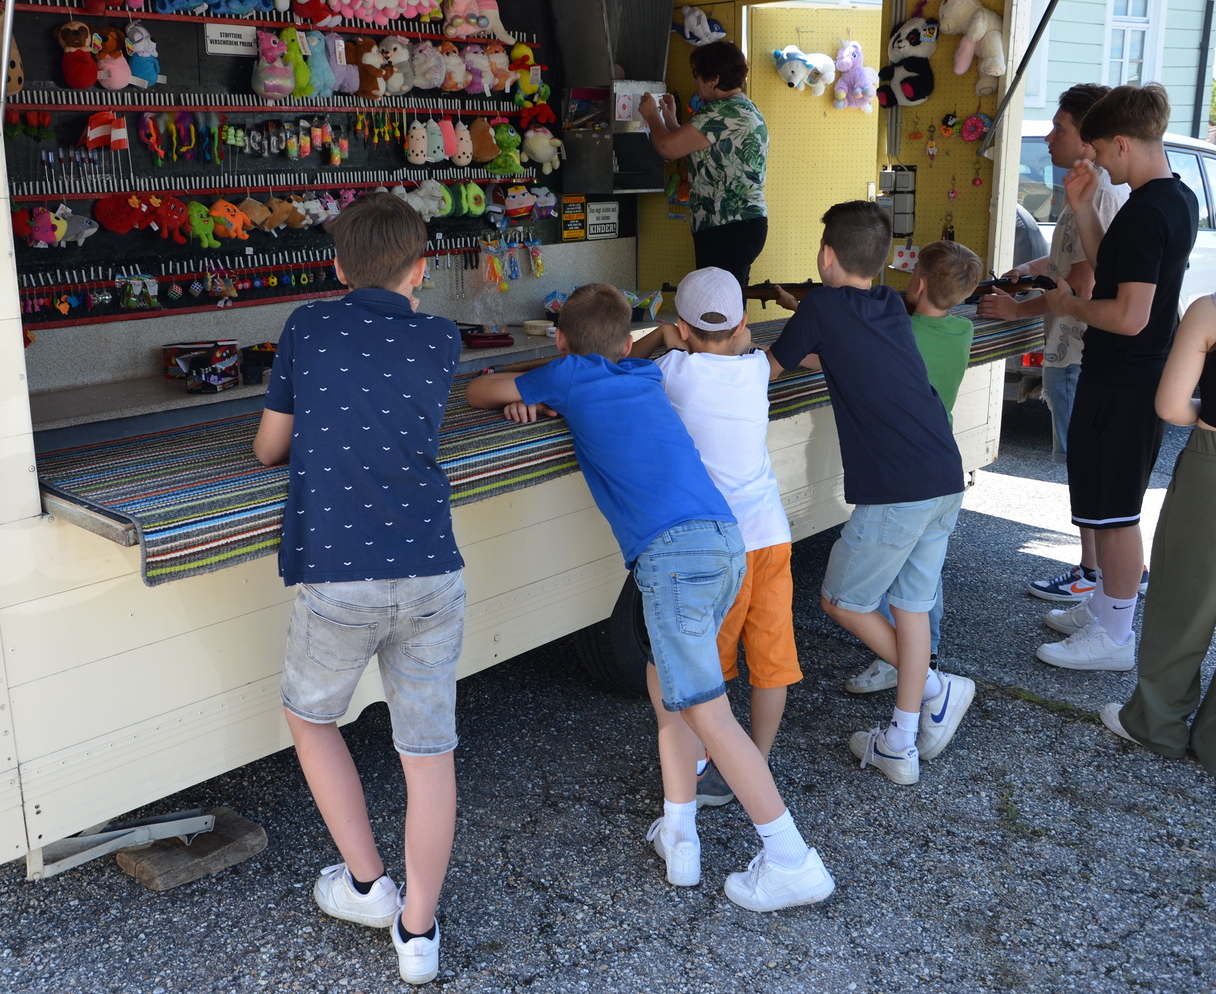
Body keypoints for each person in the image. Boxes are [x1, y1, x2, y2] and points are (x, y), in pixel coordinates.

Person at [465, 284, 835, 913]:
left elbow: (480, 391)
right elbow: (634, 353)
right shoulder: (643, 373)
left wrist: (533, 391)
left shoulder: (569, 375)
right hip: (724, 541)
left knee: (709, 712)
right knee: (667, 688)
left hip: (673, 558)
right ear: (626, 341)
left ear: (560, 341)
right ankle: (679, 834)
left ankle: (792, 859)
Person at [251, 194, 464, 986]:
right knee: (428, 755)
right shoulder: (443, 337)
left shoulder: (308, 325)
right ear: (421, 270)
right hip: (433, 571)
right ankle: (419, 933)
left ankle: (369, 886)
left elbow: (269, 449)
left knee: (312, 718)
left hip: (342, 576)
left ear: (337, 267)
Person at [767, 202, 976, 786]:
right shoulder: (887, 303)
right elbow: (842, 350)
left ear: (825, 255)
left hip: (897, 488)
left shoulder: (820, 306)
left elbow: (768, 370)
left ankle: (934, 687)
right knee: (912, 606)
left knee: (843, 601)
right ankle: (901, 742)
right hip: (943, 474)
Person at [1035, 84, 1199, 672]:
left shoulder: (1148, 209)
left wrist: (1068, 306)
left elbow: (1129, 316)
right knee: (1104, 504)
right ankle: (1106, 608)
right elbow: (1118, 270)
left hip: (1126, 376)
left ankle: (1114, 635)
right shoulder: (1171, 198)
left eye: (1102, 151)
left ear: (1124, 143)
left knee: (1117, 513)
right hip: (1128, 374)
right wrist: (1084, 207)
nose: (1097, 160)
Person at [626, 267, 800, 807]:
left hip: (717, 544)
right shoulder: (755, 369)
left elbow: (620, 362)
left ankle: (705, 764)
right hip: (771, 534)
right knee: (771, 660)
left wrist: (660, 336)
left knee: (707, 662)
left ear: (681, 327)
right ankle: (754, 765)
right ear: (743, 323)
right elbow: (743, 346)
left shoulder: (673, 371)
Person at [1101, 191, 1216, 779]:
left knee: (1183, 607)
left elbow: (1170, 406)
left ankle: (1158, 724)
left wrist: (1212, 415)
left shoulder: (1215, 310)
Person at [979, 85, 1134, 605]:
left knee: (1086, 468)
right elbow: (1068, 260)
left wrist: (1016, 310)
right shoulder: (1088, 189)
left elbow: (1084, 284)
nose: (1049, 137)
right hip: (1076, 352)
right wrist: (1026, 271)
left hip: (1078, 353)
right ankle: (1111, 569)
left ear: (1090, 137)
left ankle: (1092, 572)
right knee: (1093, 467)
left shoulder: (1100, 194)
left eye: (1059, 128)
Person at [847, 239, 984, 696]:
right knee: (922, 579)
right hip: (943, 463)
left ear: (919, 283)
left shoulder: (900, 334)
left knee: (890, 572)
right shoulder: (961, 330)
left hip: (904, 469)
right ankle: (929, 653)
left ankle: (900, 663)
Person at [638, 40, 768, 290]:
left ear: (714, 79)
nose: (694, 81)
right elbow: (695, 147)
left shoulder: (721, 111)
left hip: (727, 225)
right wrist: (670, 121)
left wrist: (652, 115)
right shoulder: (742, 108)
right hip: (741, 223)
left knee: (719, 305)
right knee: (727, 301)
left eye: (697, 75)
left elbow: (667, 148)